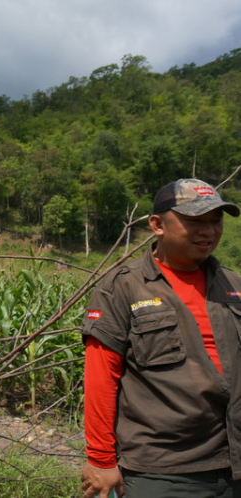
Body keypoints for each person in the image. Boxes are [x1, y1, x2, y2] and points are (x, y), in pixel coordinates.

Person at [80, 178, 241, 497]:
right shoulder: (123, 288)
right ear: (157, 224)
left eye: (215, 221)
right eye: (194, 221)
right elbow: (101, 378)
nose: (208, 231)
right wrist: (100, 460)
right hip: (162, 471)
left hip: (233, 464)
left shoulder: (233, 285)